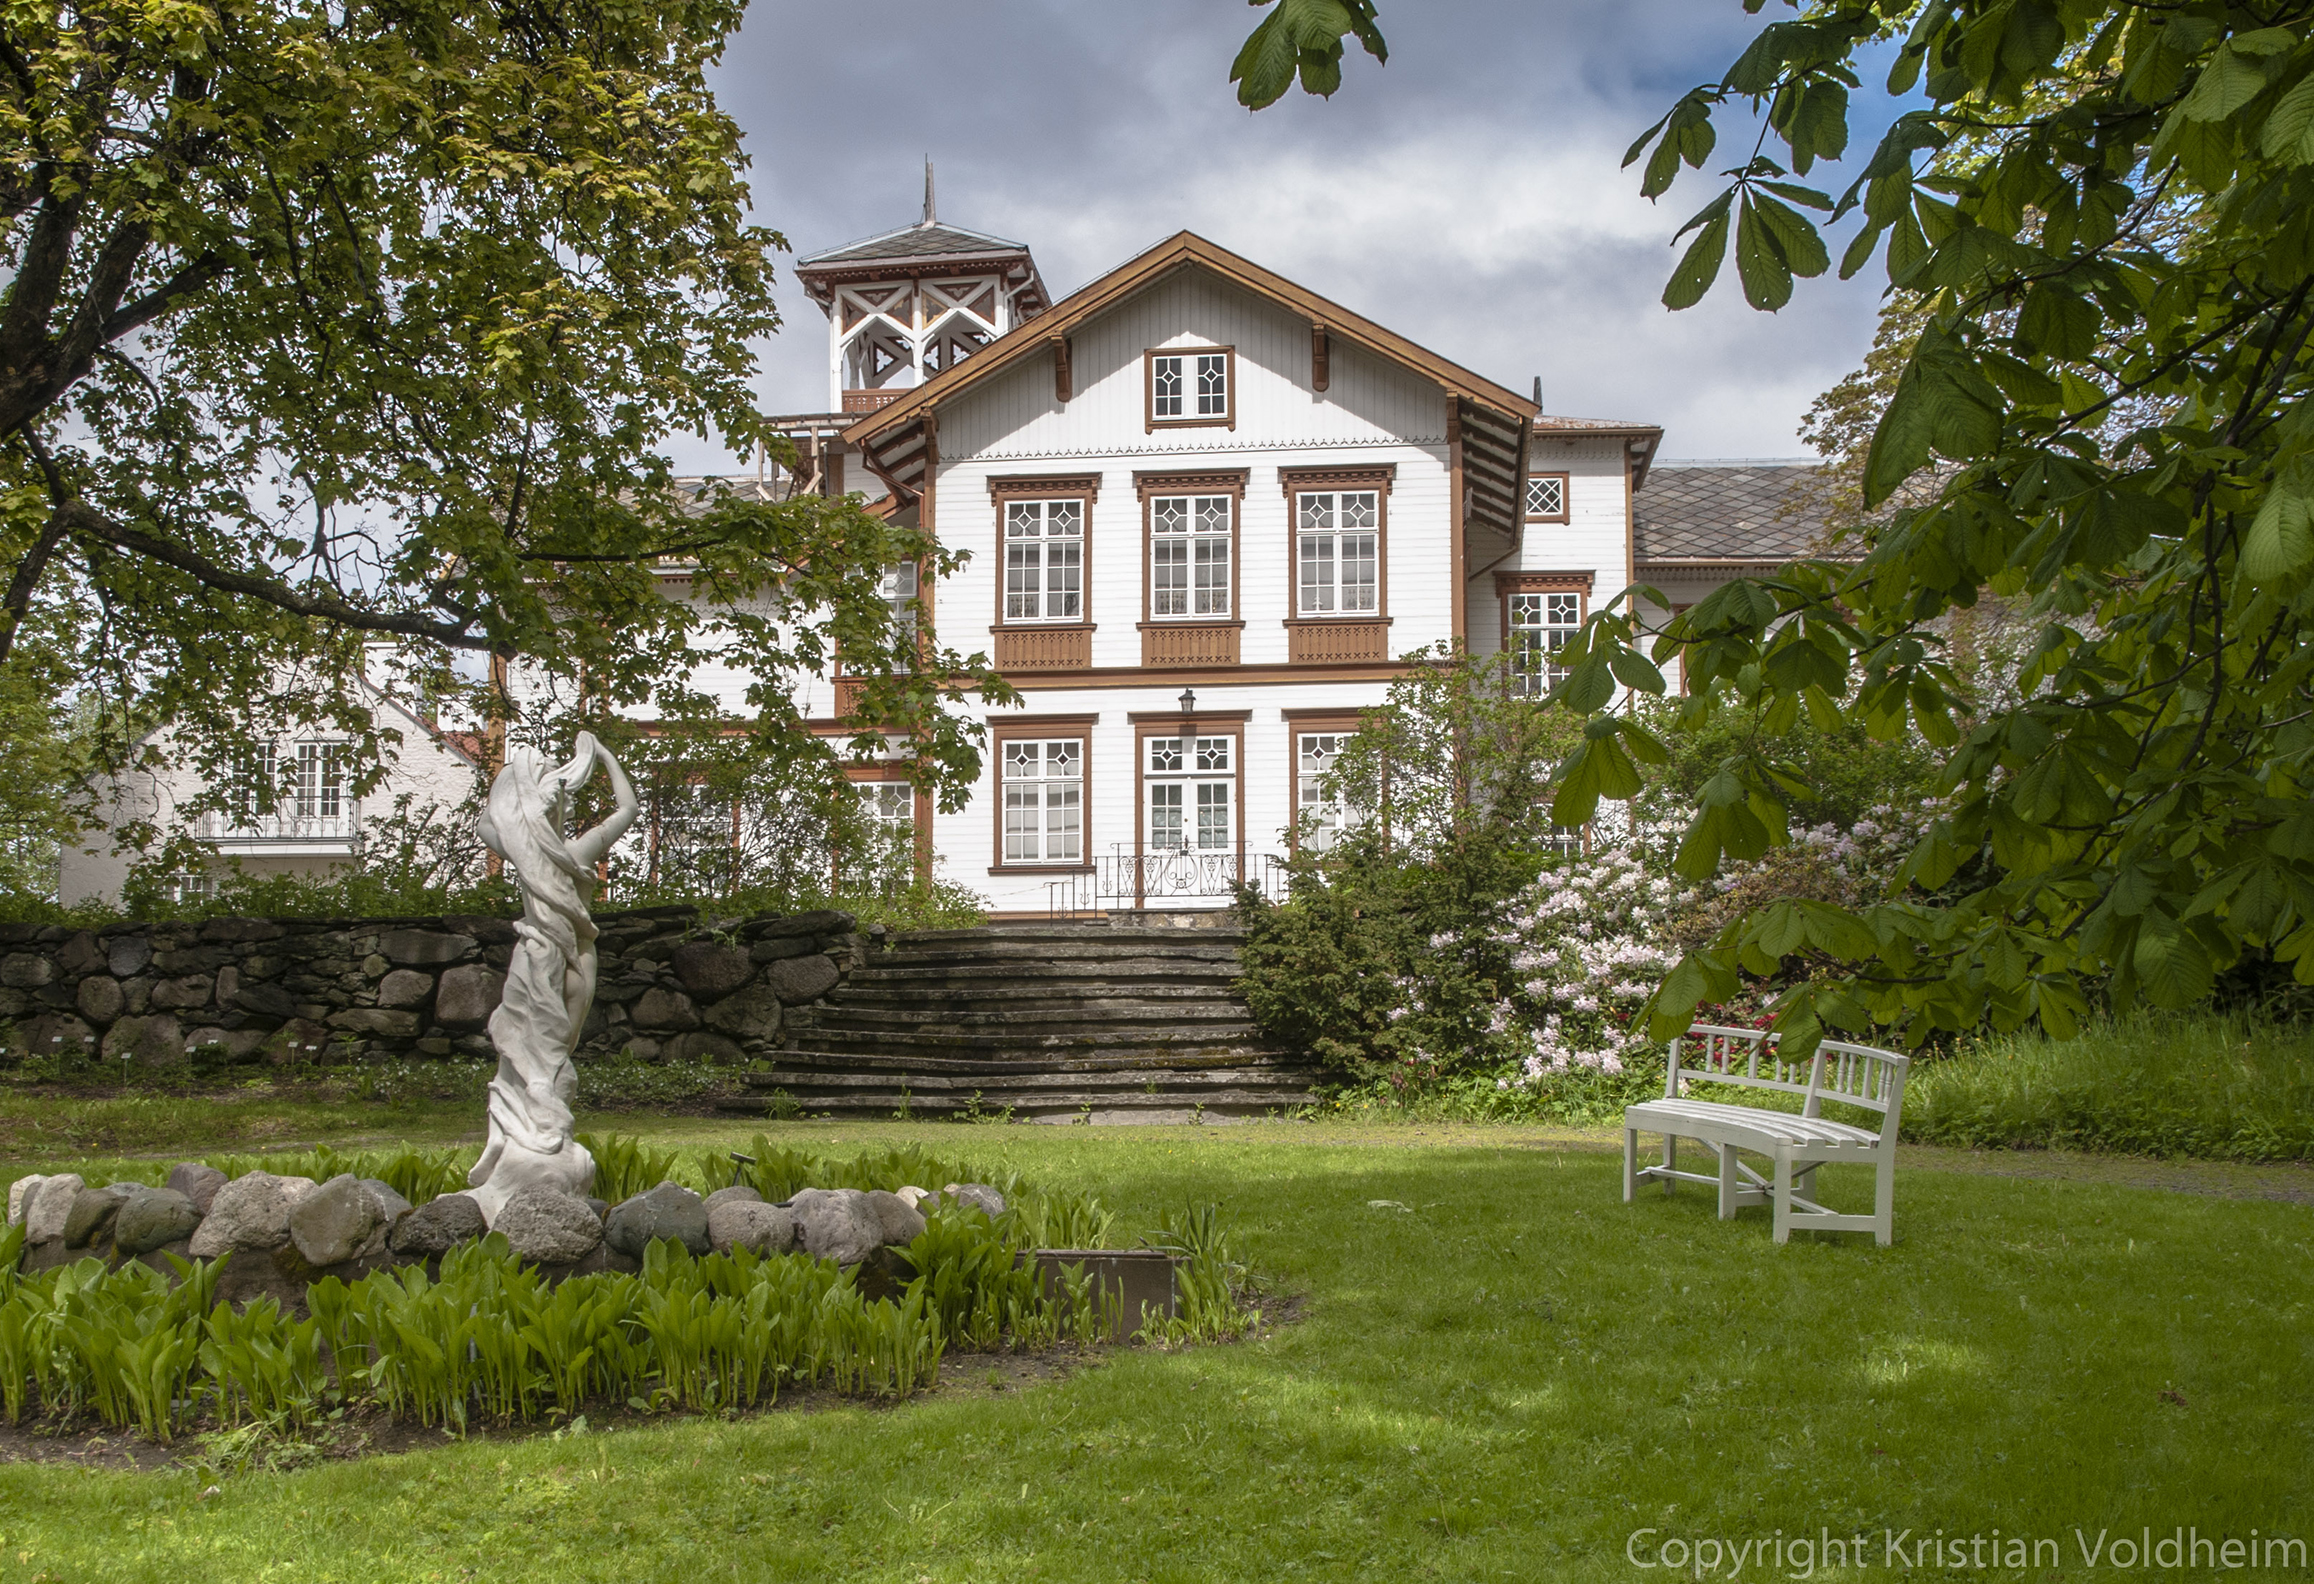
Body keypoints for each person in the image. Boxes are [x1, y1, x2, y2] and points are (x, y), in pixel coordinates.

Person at [466, 731, 639, 1223]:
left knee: (550, 1050)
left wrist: (520, 777)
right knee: (539, 1049)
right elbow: (626, 810)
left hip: (556, 957)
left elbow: (486, 821)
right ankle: (533, 1137)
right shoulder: (559, 853)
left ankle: (540, 1130)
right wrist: (602, 756)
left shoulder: (552, 854)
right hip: (557, 957)